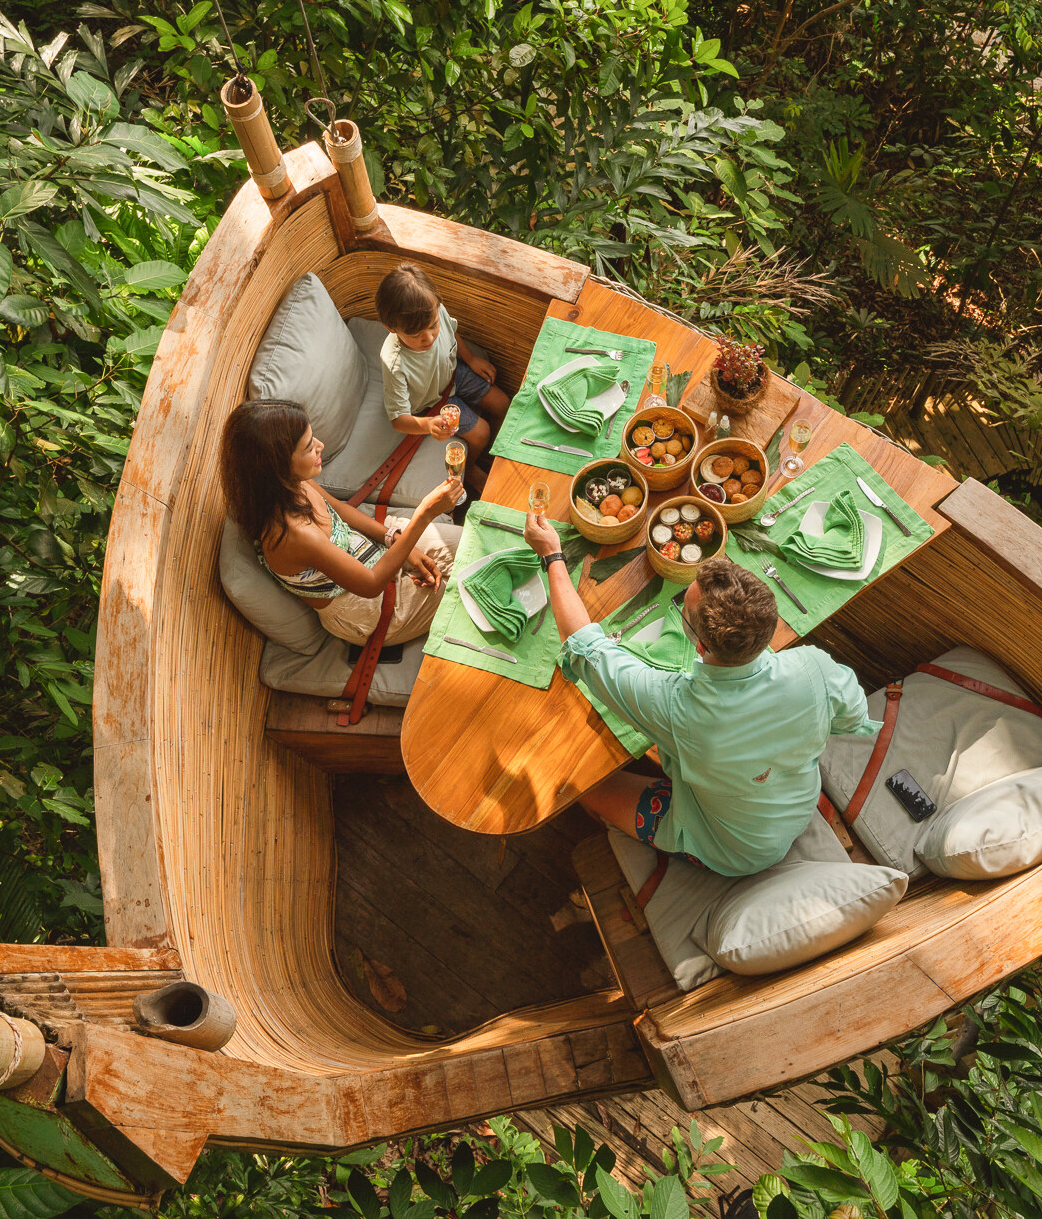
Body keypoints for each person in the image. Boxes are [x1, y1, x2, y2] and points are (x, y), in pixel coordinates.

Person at [525, 514, 879, 877]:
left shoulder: (678, 708)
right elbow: (854, 716)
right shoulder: (813, 666)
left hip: (734, 850)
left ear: (699, 643)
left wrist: (553, 555)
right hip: (797, 805)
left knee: (582, 788)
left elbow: (584, 645)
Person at [225, 400, 464, 647]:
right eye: (308, 448)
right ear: (278, 467)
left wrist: (395, 538)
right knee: (467, 591)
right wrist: (424, 514)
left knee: (473, 544)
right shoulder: (294, 533)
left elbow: (340, 509)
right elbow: (371, 584)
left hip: (372, 549)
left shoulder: (289, 484)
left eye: (313, 437)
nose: (320, 446)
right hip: (364, 608)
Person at [376, 262, 510, 498]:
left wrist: (470, 359)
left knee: (502, 404)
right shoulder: (395, 362)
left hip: (452, 374)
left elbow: (451, 332)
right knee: (481, 433)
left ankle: (495, 456)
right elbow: (398, 419)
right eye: (415, 336)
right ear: (391, 328)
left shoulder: (436, 311)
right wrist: (428, 424)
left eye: (432, 327)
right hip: (430, 402)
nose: (428, 338)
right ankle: (470, 470)